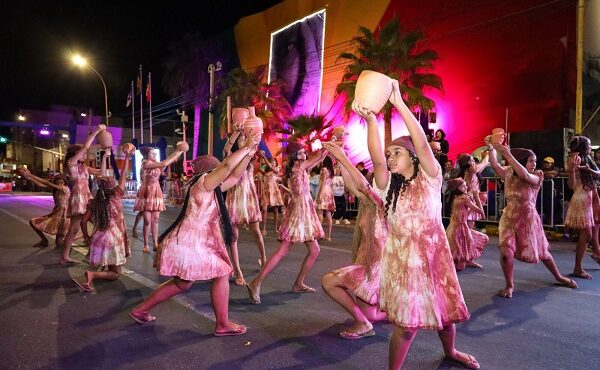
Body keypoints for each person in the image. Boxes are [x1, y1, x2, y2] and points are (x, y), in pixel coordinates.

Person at [356, 80, 479, 370]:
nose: (389, 157)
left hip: (435, 259)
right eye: (389, 154)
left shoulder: (431, 178)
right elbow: (375, 157)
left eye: (396, 152)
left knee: (445, 314)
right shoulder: (388, 187)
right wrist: (372, 120)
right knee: (406, 327)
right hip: (402, 263)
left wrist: (399, 103)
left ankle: (451, 351)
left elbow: (422, 141)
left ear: (413, 157)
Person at [129, 131, 261, 335]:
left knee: (182, 283)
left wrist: (250, 153)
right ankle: (222, 324)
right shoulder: (203, 183)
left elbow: (235, 176)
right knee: (222, 273)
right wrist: (245, 147)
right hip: (193, 241)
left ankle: (140, 310)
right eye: (216, 167)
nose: (221, 170)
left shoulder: (212, 188)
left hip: (191, 240)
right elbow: (227, 167)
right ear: (210, 171)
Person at [488, 143, 578, 297]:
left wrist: (508, 155)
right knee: (505, 253)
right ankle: (509, 285)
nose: (534, 164)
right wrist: (490, 148)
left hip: (528, 220)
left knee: (542, 252)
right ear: (522, 161)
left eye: (535, 161)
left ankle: (558, 276)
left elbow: (524, 176)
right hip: (509, 217)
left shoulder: (538, 175)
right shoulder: (510, 173)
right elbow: (495, 165)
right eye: (530, 161)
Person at [321, 141, 387, 339]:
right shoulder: (367, 203)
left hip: (375, 267)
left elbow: (363, 186)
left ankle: (365, 323)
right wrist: (339, 159)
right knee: (373, 315)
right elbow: (353, 184)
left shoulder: (384, 204)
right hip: (366, 265)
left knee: (328, 282)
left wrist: (343, 157)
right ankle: (396, 310)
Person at [246, 142, 325, 304]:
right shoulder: (300, 167)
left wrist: (329, 149)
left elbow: (321, 156)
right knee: (283, 251)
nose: (304, 154)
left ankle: (298, 283)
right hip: (300, 212)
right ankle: (256, 283)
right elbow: (320, 155)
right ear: (295, 155)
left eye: (304, 152)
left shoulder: (300, 168)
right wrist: (332, 140)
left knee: (314, 249)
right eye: (301, 152)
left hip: (302, 210)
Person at [71, 151, 132, 292]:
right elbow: (123, 175)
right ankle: (93, 275)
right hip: (113, 238)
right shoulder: (117, 195)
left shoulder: (94, 202)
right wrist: (128, 157)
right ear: (114, 187)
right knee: (116, 274)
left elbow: (83, 221)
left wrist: (86, 236)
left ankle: (95, 273)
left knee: (106, 260)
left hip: (98, 237)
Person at [223, 127, 267, 285]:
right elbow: (226, 148)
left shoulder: (251, 151)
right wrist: (235, 132)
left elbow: (256, 140)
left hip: (248, 195)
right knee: (233, 236)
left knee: (256, 230)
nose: (243, 139)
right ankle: (237, 271)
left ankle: (263, 258)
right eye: (241, 138)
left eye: (244, 137)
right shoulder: (231, 155)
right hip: (234, 195)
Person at [61, 125, 107, 264]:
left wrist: (105, 157)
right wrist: (97, 132)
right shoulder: (71, 163)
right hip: (77, 197)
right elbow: (85, 147)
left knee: (99, 224)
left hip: (87, 197)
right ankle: (66, 256)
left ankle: (89, 251)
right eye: (81, 153)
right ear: (77, 154)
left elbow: (101, 173)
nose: (85, 154)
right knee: (74, 229)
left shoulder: (84, 167)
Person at [134, 145, 185, 253]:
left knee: (155, 220)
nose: (154, 154)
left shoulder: (155, 164)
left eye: (154, 153)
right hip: (147, 191)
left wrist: (179, 152)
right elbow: (164, 163)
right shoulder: (146, 163)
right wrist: (177, 151)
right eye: (152, 153)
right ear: (146, 155)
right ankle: (146, 244)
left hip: (156, 191)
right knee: (147, 220)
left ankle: (155, 243)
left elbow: (165, 165)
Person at [564, 136, 600, 279]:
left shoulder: (587, 160)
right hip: (581, 199)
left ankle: (580, 265)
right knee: (587, 235)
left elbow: (598, 174)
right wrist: (572, 170)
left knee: (589, 234)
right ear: (584, 147)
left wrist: (588, 169)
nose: (591, 148)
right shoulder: (575, 160)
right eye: (589, 145)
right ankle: (578, 268)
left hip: (588, 199)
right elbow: (572, 186)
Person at [445, 178, 488, 271]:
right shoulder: (465, 198)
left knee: (470, 242)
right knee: (481, 239)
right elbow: (481, 212)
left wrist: (472, 206)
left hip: (453, 228)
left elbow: (464, 214)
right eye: (463, 186)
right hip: (460, 229)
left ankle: (466, 261)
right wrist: (477, 198)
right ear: (457, 188)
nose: (466, 187)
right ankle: (454, 265)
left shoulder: (454, 197)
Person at [22, 171, 70, 248]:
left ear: (65, 182)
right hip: (57, 215)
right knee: (33, 222)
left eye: (62, 182)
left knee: (59, 244)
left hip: (63, 217)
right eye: (58, 182)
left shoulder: (65, 189)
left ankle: (73, 241)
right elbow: (40, 184)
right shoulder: (57, 189)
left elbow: (46, 183)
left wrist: (30, 174)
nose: (60, 184)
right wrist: (29, 178)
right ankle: (44, 240)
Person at [453, 153, 489, 228]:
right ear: (468, 163)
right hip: (470, 200)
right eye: (472, 160)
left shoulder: (466, 172)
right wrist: (488, 153)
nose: (474, 161)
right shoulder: (472, 170)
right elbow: (485, 163)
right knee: (467, 226)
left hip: (467, 200)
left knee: (465, 225)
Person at [260, 154, 284, 236]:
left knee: (275, 210)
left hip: (274, 192)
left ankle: (275, 228)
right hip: (266, 191)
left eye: (274, 162)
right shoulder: (265, 171)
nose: (273, 163)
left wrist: (264, 157)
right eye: (272, 162)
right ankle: (263, 229)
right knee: (264, 210)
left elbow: (272, 167)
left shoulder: (277, 169)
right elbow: (261, 168)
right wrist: (261, 159)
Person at [315, 156, 336, 241]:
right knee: (328, 214)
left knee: (320, 212)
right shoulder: (332, 170)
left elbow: (323, 183)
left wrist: (319, 194)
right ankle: (329, 236)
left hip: (324, 190)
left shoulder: (324, 169)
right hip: (329, 191)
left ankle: (320, 233)